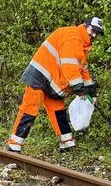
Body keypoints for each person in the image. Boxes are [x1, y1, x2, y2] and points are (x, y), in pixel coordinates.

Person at [6, 17, 104, 153]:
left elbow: (83, 70)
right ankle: (14, 144)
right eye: (93, 30)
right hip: (40, 75)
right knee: (30, 107)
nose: (93, 35)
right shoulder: (73, 37)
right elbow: (70, 66)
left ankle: (67, 142)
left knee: (58, 109)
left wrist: (90, 90)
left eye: (97, 33)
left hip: (51, 81)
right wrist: (79, 88)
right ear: (85, 26)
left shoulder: (81, 45)